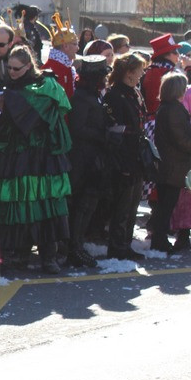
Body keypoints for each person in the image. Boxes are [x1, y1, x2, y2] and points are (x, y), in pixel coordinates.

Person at [0, 45, 72, 274]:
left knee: (45, 203)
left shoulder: (45, 85)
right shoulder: (12, 88)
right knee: (18, 201)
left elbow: (35, 114)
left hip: (41, 157)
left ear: (29, 66)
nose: (11, 72)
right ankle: (19, 253)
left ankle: (48, 256)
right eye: (9, 68)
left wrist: (7, 98)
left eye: (16, 69)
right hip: (18, 154)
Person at [65, 55, 112, 268]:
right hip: (82, 159)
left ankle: (77, 245)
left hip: (91, 157)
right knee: (81, 203)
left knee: (87, 203)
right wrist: (104, 134)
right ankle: (74, 248)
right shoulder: (82, 98)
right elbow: (77, 128)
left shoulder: (92, 95)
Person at [102, 52, 150, 260]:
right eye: (140, 70)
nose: (142, 73)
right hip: (123, 155)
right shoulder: (114, 94)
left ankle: (126, 244)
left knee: (133, 204)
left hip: (137, 153)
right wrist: (121, 160)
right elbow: (114, 128)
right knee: (122, 205)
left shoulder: (135, 92)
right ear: (129, 72)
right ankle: (117, 247)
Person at [149, 73, 191, 253]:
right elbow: (181, 139)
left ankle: (160, 240)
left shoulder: (168, 107)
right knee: (166, 206)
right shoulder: (173, 110)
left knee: (166, 205)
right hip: (173, 165)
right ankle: (159, 241)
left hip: (171, 164)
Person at [141, 33, 182, 116]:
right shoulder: (172, 74)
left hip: (149, 120)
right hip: (168, 118)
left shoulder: (145, 72)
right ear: (165, 55)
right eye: (175, 52)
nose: (178, 54)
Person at [42, 17, 79, 98]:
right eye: (75, 44)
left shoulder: (67, 67)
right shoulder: (51, 70)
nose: (78, 48)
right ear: (65, 46)